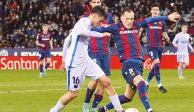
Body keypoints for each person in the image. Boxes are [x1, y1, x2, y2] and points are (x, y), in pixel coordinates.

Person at [92, 8, 180, 112]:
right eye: (127, 18)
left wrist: (167, 17)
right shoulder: (115, 27)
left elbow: (150, 20)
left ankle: (104, 108)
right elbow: (97, 29)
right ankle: (149, 109)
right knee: (141, 82)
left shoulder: (136, 25)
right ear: (121, 18)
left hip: (138, 65)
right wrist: (80, 28)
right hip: (128, 64)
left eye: (131, 18)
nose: (129, 21)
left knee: (127, 97)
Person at [50, 6, 124, 112]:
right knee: (73, 94)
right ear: (94, 16)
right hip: (75, 63)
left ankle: (119, 110)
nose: (100, 23)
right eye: (100, 21)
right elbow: (82, 33)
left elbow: (67, 40)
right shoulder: (83, 22)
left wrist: (63, 59)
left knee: (106, 82)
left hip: (86, 60)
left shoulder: (87, 25)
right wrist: (100, 35)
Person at [82, 1, 113, 112]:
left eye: (98, 1)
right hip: (93, 50)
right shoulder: (86, 17)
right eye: (94, 1)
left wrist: (110, 33)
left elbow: (111, 29)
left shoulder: (108, 16)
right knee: (96, 78)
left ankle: (94, 107)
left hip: (105, 51)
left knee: (104, 81)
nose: (96, 3)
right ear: (90, 3)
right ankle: (86, 104)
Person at [144, 4, 170, 93]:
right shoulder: (147, 21)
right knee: (157, 64)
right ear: (151, 12)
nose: (155, 11)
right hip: (151, 46)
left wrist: (167, 38)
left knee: (156, 66)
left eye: (157, 9)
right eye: (153, 9)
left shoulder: (162, 21)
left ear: (159, 12)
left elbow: (163, 32)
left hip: (160, 46)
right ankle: (159, 85)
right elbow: (140, 31)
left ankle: (146, 83)